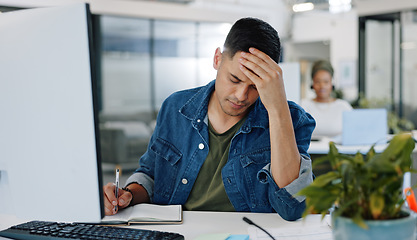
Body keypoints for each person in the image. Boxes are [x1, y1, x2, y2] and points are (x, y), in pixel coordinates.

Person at [103, 17, 316, 221]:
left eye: (255, 86)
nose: (241, 96)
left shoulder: (292, 119)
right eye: (234, 79)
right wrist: (127, 195)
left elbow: (292, 207)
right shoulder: (175, 107)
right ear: (217, 59)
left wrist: (278, 108)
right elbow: (150, 176)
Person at [300, 60, 352, 139]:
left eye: (326, 82)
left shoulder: (343, 106)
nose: (322, 86)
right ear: (312, 84)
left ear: (332, 83)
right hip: (311, 150)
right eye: (318, 82)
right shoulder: (303, 105)